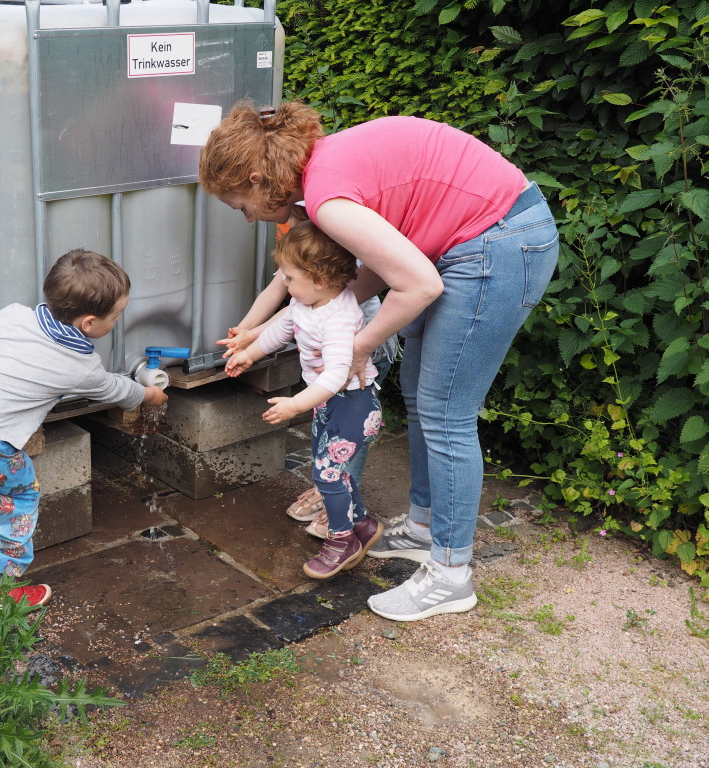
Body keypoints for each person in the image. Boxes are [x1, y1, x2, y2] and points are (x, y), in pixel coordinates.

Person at [200, 101, 559, 621]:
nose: (250, 217)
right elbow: (361, 279)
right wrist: (276, 326)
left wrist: (358, 347)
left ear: (256, 179)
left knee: (446, 415)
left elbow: (418, 285)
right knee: (419, 396)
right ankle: (423, 528)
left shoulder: (327, 201)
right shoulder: (323, 170)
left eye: (241, 206)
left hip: (497, 241)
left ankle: (451, 575)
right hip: (475, 237)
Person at [0, 249, 168, 607]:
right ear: (89, 323)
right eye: (115, 317)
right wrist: (149, 394)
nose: (116, 323)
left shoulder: (13, 315)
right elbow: (116, 389)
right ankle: (0, 592)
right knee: (15, 508)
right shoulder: (79, 363)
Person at [218, 205, 399, 540]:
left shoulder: (338, 317)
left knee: (329, 474)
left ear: (319, 279)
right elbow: (280, 330)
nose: (284, 284)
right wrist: (249, 354)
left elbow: (336, 374)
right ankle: (361, 523)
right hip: (328, 402)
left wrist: (295, 405)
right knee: (326, 468)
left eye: (289, 278)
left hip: (353, 404)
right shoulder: (306, 303)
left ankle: (341, 538)